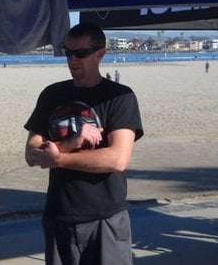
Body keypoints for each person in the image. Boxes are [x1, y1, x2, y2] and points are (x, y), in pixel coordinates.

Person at [24, 23, 143, 265]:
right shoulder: (52, 94)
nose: (72, 60)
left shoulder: (120, 97)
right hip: (60, 215)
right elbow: (32, 153)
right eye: (68, 52)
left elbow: (117, 159)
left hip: (105, 218)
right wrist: (71, 142)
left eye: (81, 53)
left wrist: (58, 158)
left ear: (100, 54)